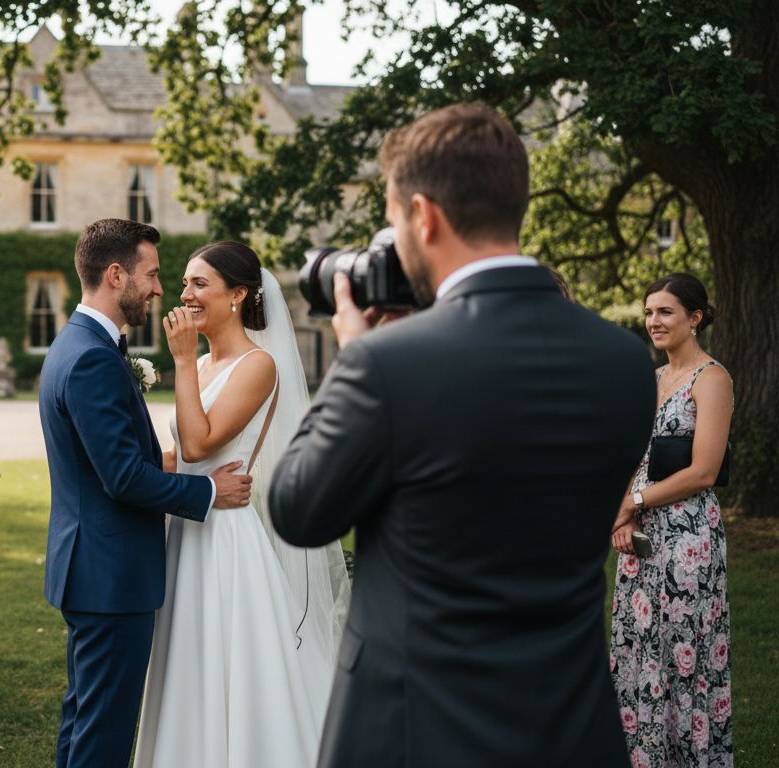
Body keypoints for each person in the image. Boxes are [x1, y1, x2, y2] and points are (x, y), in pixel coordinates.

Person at [268, 104, 657, 768]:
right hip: (571, 728)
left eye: (392, 224)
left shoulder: (385, 365)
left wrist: (354, 358)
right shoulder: (623, 361)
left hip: (415, 731)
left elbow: (297, 509)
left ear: (423, 216)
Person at [39, 218, 253, 768]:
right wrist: (208, 491)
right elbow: (124, 478)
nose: (160, 290)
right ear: (117, 275)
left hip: (90, 566)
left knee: (86, 717)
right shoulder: (93, 356)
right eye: (152, 275)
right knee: (103, 733)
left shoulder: (77, 343)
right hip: (110, 574)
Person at [133, 241, 349, 767]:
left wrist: (182, 361)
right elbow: (178, 458)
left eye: (199, 283)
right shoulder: (205, 363)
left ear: (237, 295)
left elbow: (199, 444)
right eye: (184, 283)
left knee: (233, 662)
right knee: (187, 663)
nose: (185, 294)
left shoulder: (258, 364)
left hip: (225, 539)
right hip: (187, 529)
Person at [608, 273, 734, 767]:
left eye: (665, 311)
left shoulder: (713, 379)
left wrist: (633, 502)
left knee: (680, 652)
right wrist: (624, 517)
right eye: (648, 312)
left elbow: (703, 472)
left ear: (694, 318)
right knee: (640, 648)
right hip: (642, 535)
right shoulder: (653, 379)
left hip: (688, 538)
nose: (653, 321)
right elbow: (633, 456)